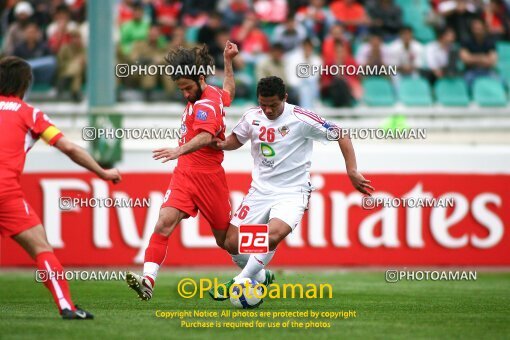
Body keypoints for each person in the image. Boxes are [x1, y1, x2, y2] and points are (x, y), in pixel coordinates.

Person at [208, 76, 373, 300]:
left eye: (273, 105)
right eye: (263, 104)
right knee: (231, 243)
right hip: (259, 191)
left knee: (272, 235)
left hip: (292, 193)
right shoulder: (252, 116)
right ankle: (261, 277)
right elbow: (236, 140)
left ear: (284, 98)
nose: (267, 110)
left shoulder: (300, 118)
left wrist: (352, 170)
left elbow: (340, 133)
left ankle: (240, 280)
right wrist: (219, 143)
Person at [0, 56, 122, 319]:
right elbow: (67, 147)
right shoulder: (29, 113)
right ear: (25, 84)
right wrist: (101, 172)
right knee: (41, 248)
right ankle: (66, 306)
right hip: (5, 193)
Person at [126, 41, 239, 301]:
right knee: (164, 223)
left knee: (226, 241)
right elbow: (229, 92)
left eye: (188, 88)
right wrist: (229, 61)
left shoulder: (206, 105)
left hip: (209, 177)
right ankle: (148, 280)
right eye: (181, 89)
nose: (185, 94)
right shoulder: (211, 93)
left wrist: (178, 150)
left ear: (200, 79)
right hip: (185, 174)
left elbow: (205, 135)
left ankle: (257, 270)